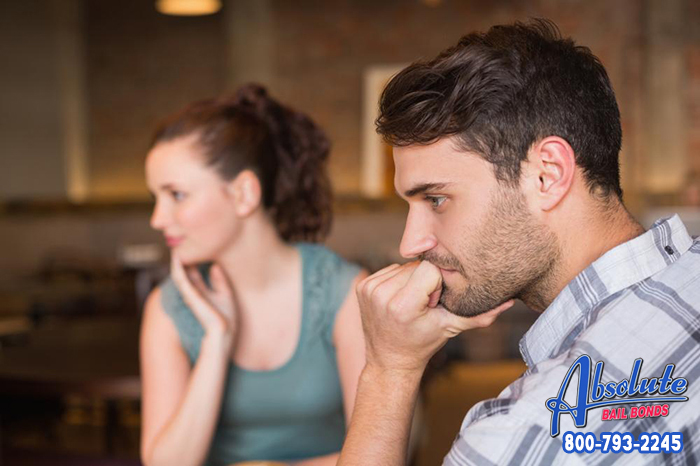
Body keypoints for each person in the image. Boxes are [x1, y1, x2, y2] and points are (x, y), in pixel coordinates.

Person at [338, 19, 700, 465]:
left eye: (436, 199)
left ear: (547, 175)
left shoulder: (519, 438)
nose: (410, 243)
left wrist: (388, 370)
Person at [140, 84, 367, 466]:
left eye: (176, 195)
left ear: (244, 194)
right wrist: (216, 341)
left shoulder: (344, 292)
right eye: (155, 199)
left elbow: (386, 452)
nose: (157, 219)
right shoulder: (166, 308)